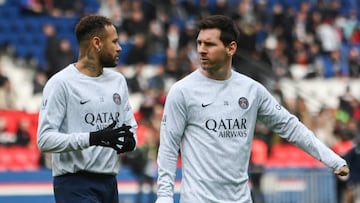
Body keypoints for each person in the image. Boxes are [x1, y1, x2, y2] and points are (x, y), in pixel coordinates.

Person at [155, 15, 349, 203]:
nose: (201, 50)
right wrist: (164, 196)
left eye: (210, 44)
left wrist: (333, 159)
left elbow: (291, 127)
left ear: (231, 48)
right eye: (199, 43)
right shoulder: (182, 91)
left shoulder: (251, 90)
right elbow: (168, 147)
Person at [37, 15, 138, 203]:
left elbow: (130, 127)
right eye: (114, 41)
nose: (119, 47)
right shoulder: (61, 83)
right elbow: (45, 140)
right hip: (74, 183)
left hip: (110, 183)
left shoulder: (118, 81)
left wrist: (130, 142)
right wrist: (92, 138)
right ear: (97, 43)